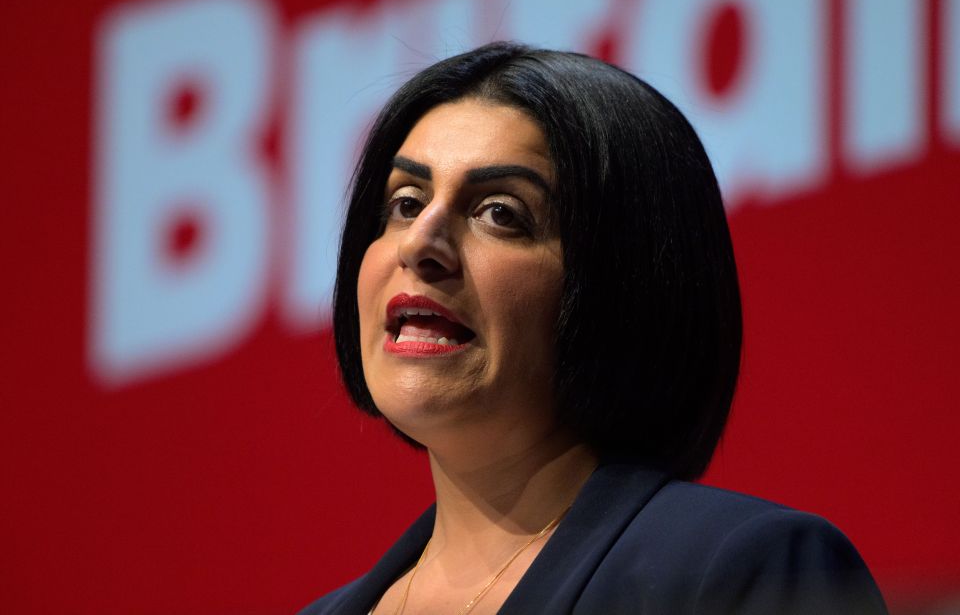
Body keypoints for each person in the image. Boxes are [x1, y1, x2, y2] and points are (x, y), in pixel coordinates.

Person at [299, 42, 888, 614]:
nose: (421, 243)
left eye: (500, 214)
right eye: (405, 202)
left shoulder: (743, 571)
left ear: (623, 286)